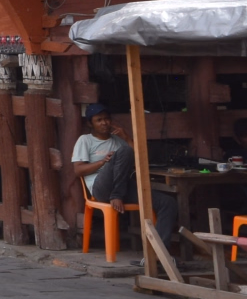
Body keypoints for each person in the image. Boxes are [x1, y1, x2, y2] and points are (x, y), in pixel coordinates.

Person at [74, 103, 179, 248]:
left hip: (123, 186)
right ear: (90, 123)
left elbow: (141, 160)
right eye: (99, 120)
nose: (104, 122)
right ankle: (116, 194)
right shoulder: (85, 140)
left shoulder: (118, 140)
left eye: (106, 119)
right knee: (124, 151)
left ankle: (159, 253)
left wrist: (127, 138)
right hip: (101, 189)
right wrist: (103, 162)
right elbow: (78, 170)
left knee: (168, 203)